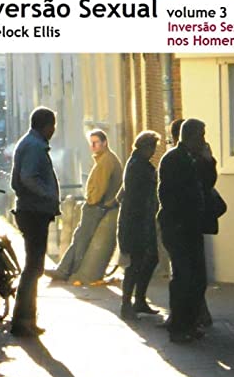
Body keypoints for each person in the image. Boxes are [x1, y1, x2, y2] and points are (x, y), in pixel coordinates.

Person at [157, 118, 217, 343]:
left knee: (198, 278)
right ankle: (179, 327)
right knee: (183, 277)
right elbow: (168, 195)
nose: (203, 139)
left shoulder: (195, 158)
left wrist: (208, 162)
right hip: (178, 226)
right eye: (201, 135)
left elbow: (207, 184)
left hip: (193, 226)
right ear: (189, 136)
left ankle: (191, 322)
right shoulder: (173, 159)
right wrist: (180, 220)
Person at [46, 129, 122, 282]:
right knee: (80, 238)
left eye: (96, 143)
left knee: (81, 239)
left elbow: (100, 187)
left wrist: (91, 201)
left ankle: (65, 270)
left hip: (96, 207)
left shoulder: (106, 161)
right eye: (91, 143)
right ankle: (64, 269)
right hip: (100, 206)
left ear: (104, 143)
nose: (93, 146)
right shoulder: (105, 159)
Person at [10, 107, 61, 337]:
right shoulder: (35, 146)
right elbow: (28, 177)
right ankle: (23, 320)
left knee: (34, 267)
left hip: (31, 211)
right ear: (47, 125)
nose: (54, 130)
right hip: (34, 212)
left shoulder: (30, 143)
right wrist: (48, 194)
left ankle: (27, 319)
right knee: (33, 268)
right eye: (53, 125)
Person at [117, 131, 161, 320]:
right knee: (137, 262)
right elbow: (137, 196)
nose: (153, 152)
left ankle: (137, 300)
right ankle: (128, 303)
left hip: (139, 220)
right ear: (145, 147)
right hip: (137, 221)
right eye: (152, 148)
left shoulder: (135, 164)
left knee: (145, 260)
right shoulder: (139, 167)